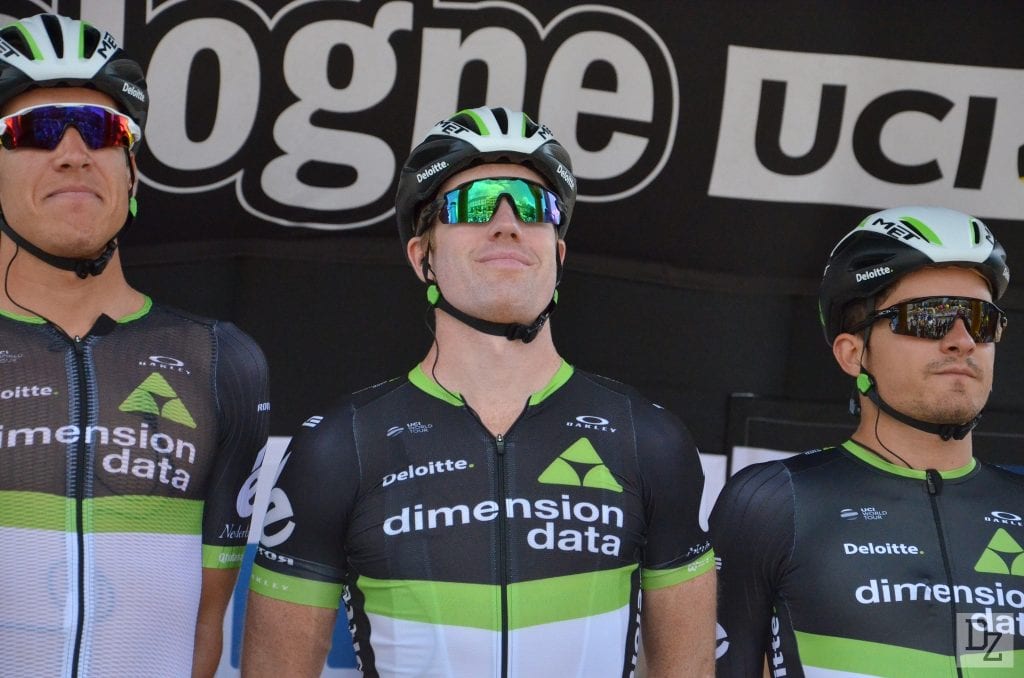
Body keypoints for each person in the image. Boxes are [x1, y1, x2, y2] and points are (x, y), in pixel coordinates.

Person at [243, 106, 715, 676]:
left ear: (558, 255)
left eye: (534, 205)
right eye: (474, 202)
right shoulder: (341, 445)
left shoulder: (649, 439)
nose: (507, 223)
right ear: (423, 257)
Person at [0, 13, 270, 677]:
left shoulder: (221, 361)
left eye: (102, 129)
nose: (73, 152)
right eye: (35, 129)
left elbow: (206, 627)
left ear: (132, 172)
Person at [712, 206, 1024, 675]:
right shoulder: (774, 502)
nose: (962, 340)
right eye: (929, 316)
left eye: (981, 320)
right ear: (853, 353)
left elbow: (988, 660)